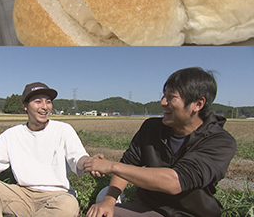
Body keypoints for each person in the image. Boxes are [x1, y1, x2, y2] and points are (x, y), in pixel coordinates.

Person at [85, 67, 237, 217]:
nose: (163, 102)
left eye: (171, 97)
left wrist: (112, 166)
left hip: (191, 213)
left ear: (198, 104)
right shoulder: (152, 128)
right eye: (164, 96)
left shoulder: (220, 142)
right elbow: (129, 163)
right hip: (148, 207)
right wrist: (109, 202)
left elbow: (175, 181)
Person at [0, 82, 93, 217]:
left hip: (57, 196)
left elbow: (78, 158)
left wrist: (89, 163)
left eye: (48, 102)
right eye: (38, 102)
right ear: (25, 106)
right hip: (22, 195)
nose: (45, 107)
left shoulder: (63, 129)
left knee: (68, 205)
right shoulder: (11, 135)